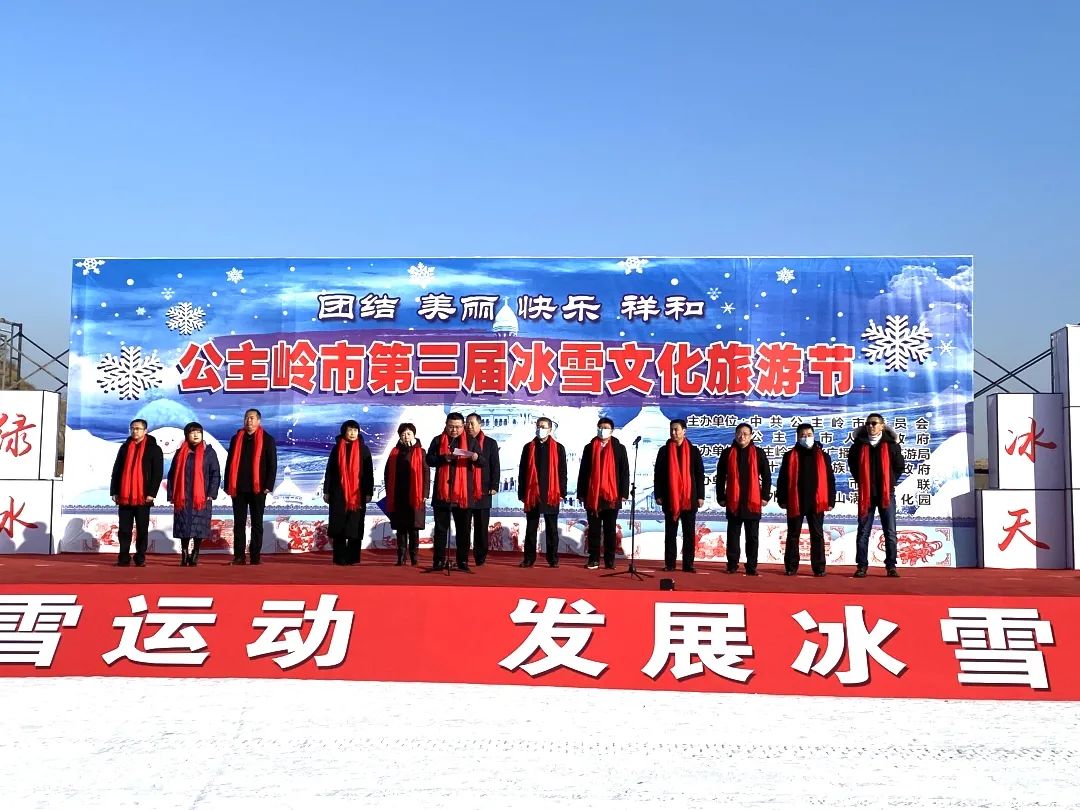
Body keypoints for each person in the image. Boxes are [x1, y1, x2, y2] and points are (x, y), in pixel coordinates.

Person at [848, 412, 906, 578]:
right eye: (868, 424)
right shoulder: (858, 445)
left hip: (886, 494)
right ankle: (861, 566)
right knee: (863, 531)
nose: (871, 426)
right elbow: (852, 465)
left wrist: (889, 482)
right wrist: (862, 481)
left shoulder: (891, 445)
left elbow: (899, 466)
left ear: (882, 426)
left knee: (890, 531)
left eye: (874, 423)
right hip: (866, 494)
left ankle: (891, 566)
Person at [776, 423, 836, 577]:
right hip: (795, 501)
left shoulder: (823, 456)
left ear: (814, 436)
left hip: (816, 501)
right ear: (797, 437)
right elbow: (782, 479)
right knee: (793, 535)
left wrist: (831, 501)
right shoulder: (789, 456)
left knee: (817, 535)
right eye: (803, 435)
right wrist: (781, 499)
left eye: (809, 435)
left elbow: (830, 480)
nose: (806, 438)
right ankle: (791, 567)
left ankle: (819, 568)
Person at [426, 412, 481, 571]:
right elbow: (429, 460)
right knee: (440, 529)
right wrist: (444, 458)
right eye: (451, 427)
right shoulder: (438, 440)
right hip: (442, 493)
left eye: (457, 427)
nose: (454, 430)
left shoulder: (471, 441)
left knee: (463, 530)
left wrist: (475, 457)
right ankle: (438, 562)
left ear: (463, 426)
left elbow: (482, 461)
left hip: (463, 495)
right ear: (446, 425)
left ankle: (462, 561)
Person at [715, 423, 771, 576]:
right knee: (733, 535)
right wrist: (721, 497)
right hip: (733, 501)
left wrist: (765, 496)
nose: (742, 436)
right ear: (735, 435)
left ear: (751, 436)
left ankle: (751, 566)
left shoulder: (758, 453)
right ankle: (732, 564)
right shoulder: (727, 453)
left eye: (745, 433)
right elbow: (720, 477)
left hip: (752, 501)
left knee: (752, 536)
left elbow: (767, 476)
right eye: (739, 433)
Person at [223, 408, 278, 565]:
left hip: (258, 488)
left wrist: (268, 485)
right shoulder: (236, 438)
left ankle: (255, 556)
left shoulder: (267, 439)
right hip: (238, 488)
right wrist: (228, 484)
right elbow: (229, 462)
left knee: (257, 523)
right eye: (247, 418)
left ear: (259, 421)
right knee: (239, 524)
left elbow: (272, 464)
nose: (249, 421)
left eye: (252, 418)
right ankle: (239, 556)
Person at [576, 417, 629, 570]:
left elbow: (624, 472)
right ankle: (593, 559)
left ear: (612, 430)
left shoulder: (619, 448)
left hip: (612, 496)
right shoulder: (589, 447)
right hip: (593, 495)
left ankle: (609, 560)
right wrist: (581, 493)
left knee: (610, 530)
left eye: (605, 427)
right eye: (600, 427)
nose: (602, 430)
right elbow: (583, 471)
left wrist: (624, 492)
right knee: (593, 529)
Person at [109, 419, 164, 567]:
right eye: (132, 428)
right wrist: (114, 491)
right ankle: (123, 557)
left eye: (138, 428)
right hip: (124, 495)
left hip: (143, 496)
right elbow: (117, 470)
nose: (135, 431)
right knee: (124, 529)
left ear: (145, 431)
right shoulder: (124, 447)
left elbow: (157, 474)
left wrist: (152, 493)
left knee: (142, 529)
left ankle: (140, 557)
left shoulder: (154, 449)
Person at [653, 418, 706, 573]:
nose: (673, 432)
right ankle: (670, 564)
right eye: (671, 429)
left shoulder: (693, 451)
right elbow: (658, 475)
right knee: (670, 533)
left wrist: (700, 496)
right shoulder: (664, 451)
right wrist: (658, 494)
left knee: (689, 534)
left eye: (676, 429)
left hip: (689, 498)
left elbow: (699, 474)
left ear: (684, 431)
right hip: (670, 497)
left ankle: (688, 564)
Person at [166, 422, 221, 567]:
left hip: (202, 497)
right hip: (183, 496)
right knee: (183, 526)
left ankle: (196, 552)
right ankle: (184, 553)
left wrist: (212, 493)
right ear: (186, 435)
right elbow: (172, 475)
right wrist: (171, 494)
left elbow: (215, 474)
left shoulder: (209, 452)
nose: (196, 435)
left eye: (198, 432)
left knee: (199, 527)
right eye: (192, 432)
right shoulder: (180, 452)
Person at [323, 420, 374, 566]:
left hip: (357, 493)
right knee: (338, 524)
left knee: (355, 524)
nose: (352, 433)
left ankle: (353, 557)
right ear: (344, 432)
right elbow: (330, 471)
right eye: (350, 430)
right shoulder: (337, 448)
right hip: (338, 492)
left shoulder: (364, 449)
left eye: (355, 430)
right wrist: (326, 491)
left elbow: (369, 473)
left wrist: (369, 492)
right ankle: (339, 557)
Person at [517, 416, 567, 568]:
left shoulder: (558, 448)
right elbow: (522, 471)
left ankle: (553, 559)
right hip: (532, 493)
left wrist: (562, 492)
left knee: (552, 528)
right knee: (531, 528)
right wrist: (522, 493)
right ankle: (529, 558)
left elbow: (562, 472)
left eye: (543, 427)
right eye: (538, 426)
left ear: (550, 430)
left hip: (551, 493)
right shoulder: (528, 447)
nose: (540, 429)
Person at [385, 423, 430, 566]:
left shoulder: (421, 452)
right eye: (403, 434)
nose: (406, 436)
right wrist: (389, 492)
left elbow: (426, 473)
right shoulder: (394, 452)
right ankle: (401, 556)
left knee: (414, 527)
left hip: (416, 494)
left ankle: (414, 556)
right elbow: (387, 473)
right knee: (401, 528)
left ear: (414, 435)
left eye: (409, 433)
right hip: (398, 494)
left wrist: (425, 493)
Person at [465, 413, 500, 567]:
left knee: (481, 526)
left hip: (484, 490)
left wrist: (494, 485)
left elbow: (495, 465)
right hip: (465, 490)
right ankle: (463, 556)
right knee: (464, 525)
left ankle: (480, 557)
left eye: (472, 423)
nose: (469, 426)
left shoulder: (490, 443)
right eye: (467, 423)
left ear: (480, 425)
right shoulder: (461, 442)